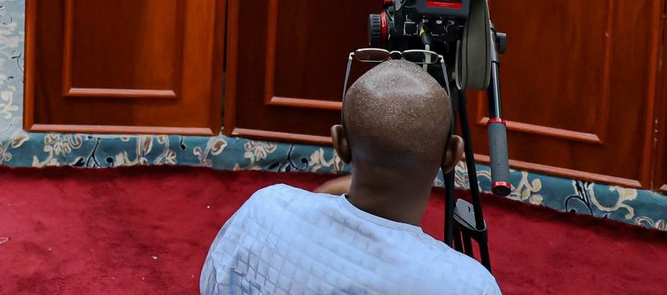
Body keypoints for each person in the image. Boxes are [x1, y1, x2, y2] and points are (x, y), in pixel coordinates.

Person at [201, 59, 501, 295]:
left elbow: (213, 284)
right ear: (452, 155)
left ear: (340, 144)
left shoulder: (264, 209)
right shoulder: (469, 285)